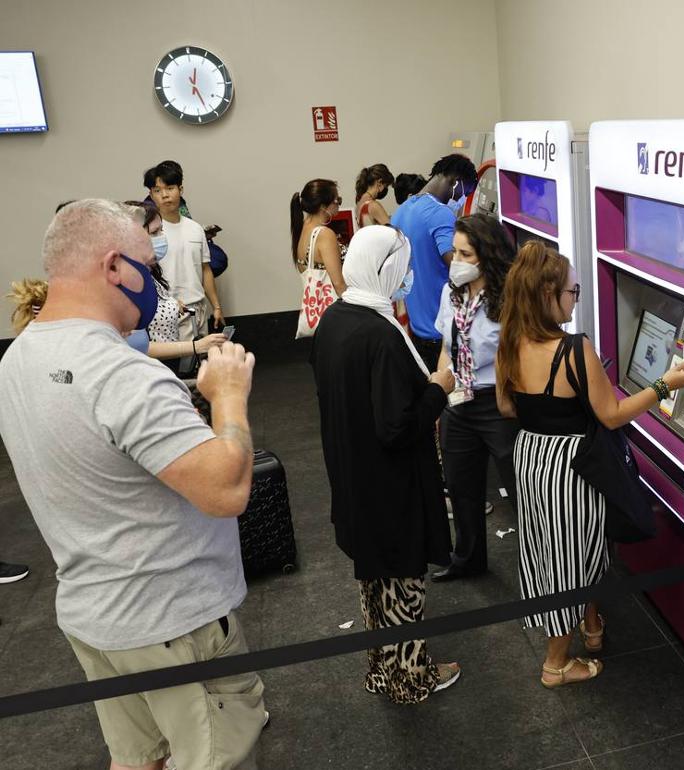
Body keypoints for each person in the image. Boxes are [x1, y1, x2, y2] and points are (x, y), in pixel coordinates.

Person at [0, 199, 265, 769]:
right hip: (172, 624)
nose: (155, 282)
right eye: (148, 266)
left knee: (137, 760)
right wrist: (229, 397)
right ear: (115, 267)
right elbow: (226, 491)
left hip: (96, 620)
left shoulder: (19, 358)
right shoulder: (124, 374)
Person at [496, 241, 684, 687]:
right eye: (572, 292)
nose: (575, 299)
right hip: (573, 466)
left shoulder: (509, 340)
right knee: (572, 558)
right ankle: (555, 665)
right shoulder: (574, 348)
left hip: (531, 457)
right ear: (547, 294)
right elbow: (612, 415)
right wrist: (666, 384)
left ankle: (591, 626)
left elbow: (506, 407)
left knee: (557, 547)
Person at [311, 224, 462, 703]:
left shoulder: (337, 317)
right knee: (402, 584)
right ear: (383, 268)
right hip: (390, 486)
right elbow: (397, 426)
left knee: (373, 584)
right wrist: (438, 389)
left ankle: (381, 669)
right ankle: (411, 678)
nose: (408, 275)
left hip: (353, 475)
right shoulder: (380, 335)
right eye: (403, 267)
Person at [432, 214, 519, 581]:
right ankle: (468, 559)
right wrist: (439, 394)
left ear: (488, 255)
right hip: (458, 400)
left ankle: (542, 561)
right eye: (455, 252)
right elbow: (446, 347)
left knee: (520, 487)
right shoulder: (450, 293)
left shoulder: (511, 299)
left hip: (498, 402)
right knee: (461, 485)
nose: (456, 261)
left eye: (465, 254)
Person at [391, 153, 479, 370]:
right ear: (456, 182)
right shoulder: (441, 214)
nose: (463, 199)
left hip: (416, 324)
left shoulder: (401, 211)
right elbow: (458, 268)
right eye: (466, 192)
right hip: (441, 330)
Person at [144, 161, 226, 340]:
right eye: (157, 190)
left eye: (170, 188)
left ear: (180, 189)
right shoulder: (149, 232)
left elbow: (205, 269)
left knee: (202, 355)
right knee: (177, 357)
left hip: (199, 308)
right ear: (151, 194)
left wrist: (216, 306)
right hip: (168, 311)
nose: (165, 195)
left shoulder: (195, 228)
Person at [291, 179, 347, 297]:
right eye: (337, 200)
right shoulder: (324, 234)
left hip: (314, 303)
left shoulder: (303, 228)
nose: (339, 204)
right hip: (332, 304)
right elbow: (338, 284)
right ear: (323, 207)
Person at [355, 164, 394, 228]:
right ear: (379, 183)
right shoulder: (374, 206)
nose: (385, 190)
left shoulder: (359, 203)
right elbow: (392, 231)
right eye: (386, 186)